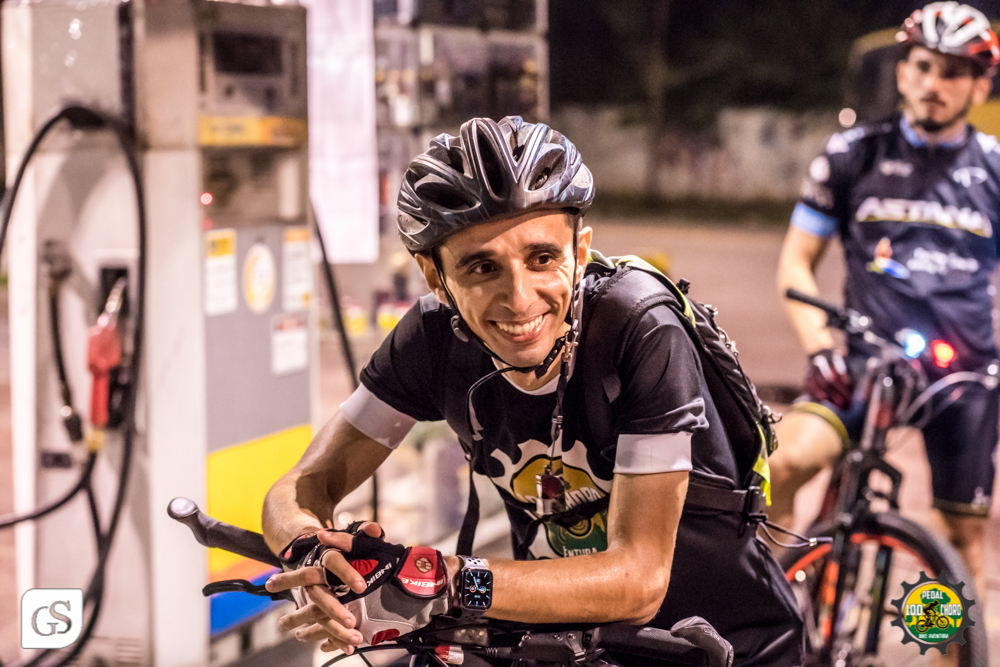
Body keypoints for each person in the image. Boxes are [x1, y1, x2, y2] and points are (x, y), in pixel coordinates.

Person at [260, 115, 803, 666]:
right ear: (434, 277)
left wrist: (444, 580)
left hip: (722, 642)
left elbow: (639, 579)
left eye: (542, 258)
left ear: (581, 249)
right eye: (481, 267)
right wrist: (309, 551)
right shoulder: (432, 339)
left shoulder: (638, 329)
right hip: (562, 641)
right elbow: (304, 485)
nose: (519, 299)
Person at [770, 1, 1000, 594]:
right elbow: (796, 262)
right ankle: (769, 609)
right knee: (780, 468)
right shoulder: (851, 155)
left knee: (962, 541)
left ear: (979, 84)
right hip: (866, 363)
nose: (933, 84)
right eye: (922, 66)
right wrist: (820, 350)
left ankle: (949, 652)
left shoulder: (995, 169)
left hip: (965, 376)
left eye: (953, 72)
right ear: (901, 72)